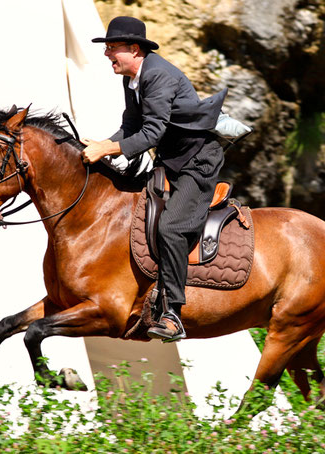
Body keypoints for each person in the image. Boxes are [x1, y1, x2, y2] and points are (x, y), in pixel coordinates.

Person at [81, 16, 227, 342]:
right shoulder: (131, 78)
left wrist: (108, 148)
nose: (107, 55)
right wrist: (103, 146)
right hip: (171, 162)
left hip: (196, 164)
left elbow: (153, 132)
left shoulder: (158, 75)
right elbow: (132, 127)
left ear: (134, 49)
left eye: (112, 48)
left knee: (171, 227)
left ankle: (173, 314)